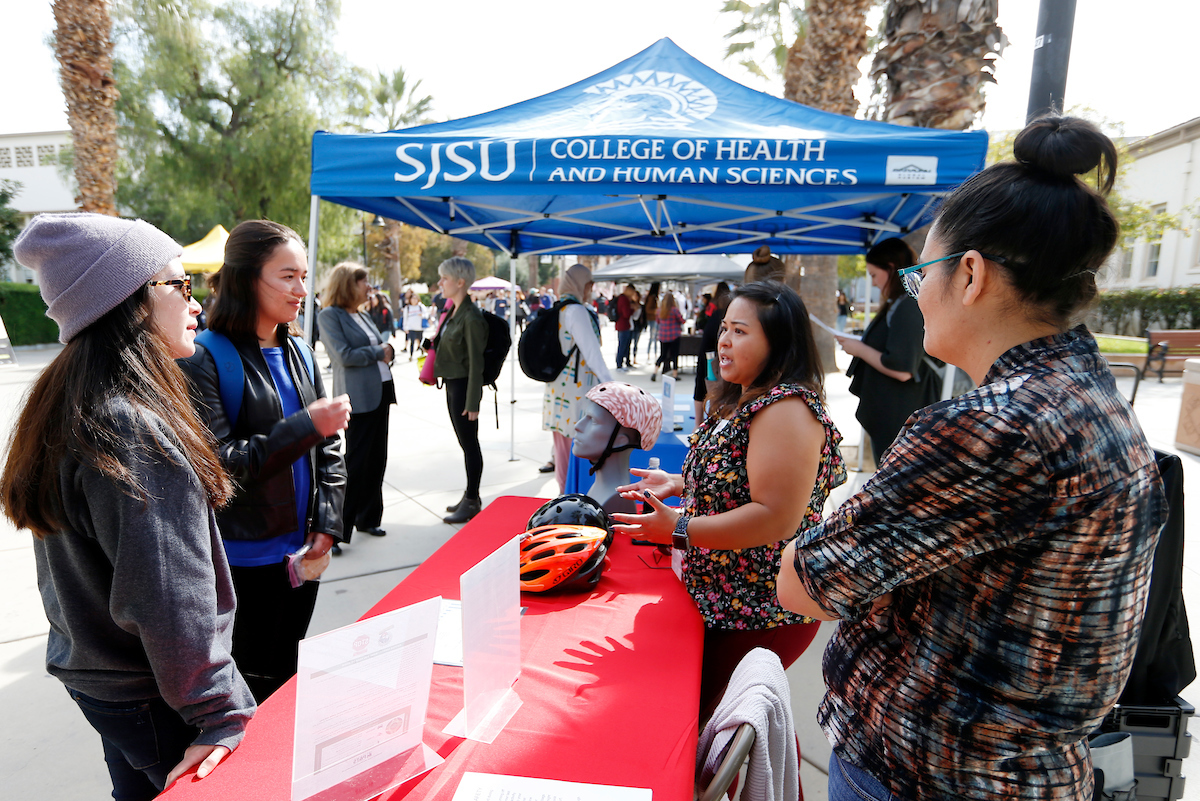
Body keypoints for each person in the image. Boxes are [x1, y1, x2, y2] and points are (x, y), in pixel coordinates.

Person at [777, 115, 1168, 801]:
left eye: (923, 271)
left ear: (970, 274)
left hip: (927, 774)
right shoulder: (1091, 396)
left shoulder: (994, 427)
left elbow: (803, 582)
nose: (917, 291)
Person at [1, 213, 257, 799]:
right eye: (180, 285)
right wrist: (218, 712)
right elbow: (167, 595)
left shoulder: (76, 401)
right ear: (130, 301)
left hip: (104, 682)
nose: (196, 303)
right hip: (155, 694)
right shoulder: (127, 426)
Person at [612, 280, 845, 717]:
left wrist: (679, 528)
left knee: (719, 725)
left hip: (762, 611)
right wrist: (682, 482)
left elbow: (774, 517)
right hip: (721, 600)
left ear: (778, 344)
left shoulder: (787, 409)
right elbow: (738, 477)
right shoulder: (742, 397)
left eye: (740, 331)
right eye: (723, 328)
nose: (724, 340)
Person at [180, 220, 350, 703]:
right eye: (287, 276)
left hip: (303, 555)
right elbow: (221, 465)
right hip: (243, 562)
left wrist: (328, 522)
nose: (302, 290)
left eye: (303, 276)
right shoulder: (203, 358)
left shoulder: (298, 348)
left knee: (289, 671)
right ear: (247, 277)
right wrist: (306, 426)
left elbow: (330, 448)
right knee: (254, 684)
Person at [836, 237, 941, 462]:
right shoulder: (900, 303)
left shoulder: (908, 305)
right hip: (894, 414)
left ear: (891, 269)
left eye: (874, 275)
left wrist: (860, 349)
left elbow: (902, 369)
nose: (873, 282)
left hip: (900, 415)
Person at [318, 262, 396, 554]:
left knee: (377, 459)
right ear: (348, 285)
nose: (369, 287)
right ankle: (337, 531)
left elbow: (379, 347)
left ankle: (368, 518)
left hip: (381, 392)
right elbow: (343, 355)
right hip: (359, 398)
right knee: (355, 463)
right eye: (363, 282)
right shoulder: (330, 316)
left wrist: (386, 352)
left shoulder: (362, 314)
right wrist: (380, 351)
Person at [542, 263, 613, 492]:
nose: (591, 289)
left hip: (558, 390)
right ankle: (568, 501)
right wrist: (612, 387)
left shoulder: (559, 308)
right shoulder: (577, 311)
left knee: (563, 451)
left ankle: (565, 498)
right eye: (589, 284)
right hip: (576, 396)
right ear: (582, 284)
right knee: (573, 453)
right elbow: (593, 354)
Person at [434, 257, 489, 524]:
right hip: (453, 385)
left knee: (470, 445)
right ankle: (469, 495)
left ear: (460, 282)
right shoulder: (453, 311)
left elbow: (476, 362)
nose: (440, 283)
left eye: (444, 278)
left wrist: (473, 401)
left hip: (464, 387)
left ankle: (472, 499)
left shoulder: (470, 315)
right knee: (465, 444)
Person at [693, 281, 731, 422]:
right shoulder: (720, 313)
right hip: (714, 357)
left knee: (708, 387)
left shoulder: (714, 312)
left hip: (710, 355)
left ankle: (702, 422)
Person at [650, 290, 683, 381]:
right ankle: (675, 374)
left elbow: (658, 322)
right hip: (674, 335)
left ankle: (654, 372)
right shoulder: (674, 310)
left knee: (663, 355)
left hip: (663, 336)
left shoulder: (659, 311)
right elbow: (681, 320)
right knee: (674, 355)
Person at [614, 282, 636, 370]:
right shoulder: (624, 299)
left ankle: (625, 362)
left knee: (625, 345)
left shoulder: (623, 298)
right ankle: (619, 364)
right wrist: (633, 309)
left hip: (624, 325)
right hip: (623, 325)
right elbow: (626, 314)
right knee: (622, 345)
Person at [401, 291, 428, 359]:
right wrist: (405, 327)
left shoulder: (421, 306)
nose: (414, 300)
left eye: (415, 299)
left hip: (419, 327)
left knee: (420, 341)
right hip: (411, 327)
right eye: (413, 299)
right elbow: (405, 318)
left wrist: (422, 315)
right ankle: (411, 355)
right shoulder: (407, 308)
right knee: (412, 341)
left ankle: (422, 353)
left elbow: (427, 315)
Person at [642, 282, 660, 361]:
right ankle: (651, 354)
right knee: (653, 337)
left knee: (653, 337)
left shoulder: (652, 297)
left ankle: (652, 354)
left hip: (653, 319)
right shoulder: (652, 298)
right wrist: (656, 311)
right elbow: (648, 309)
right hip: (653, 319)